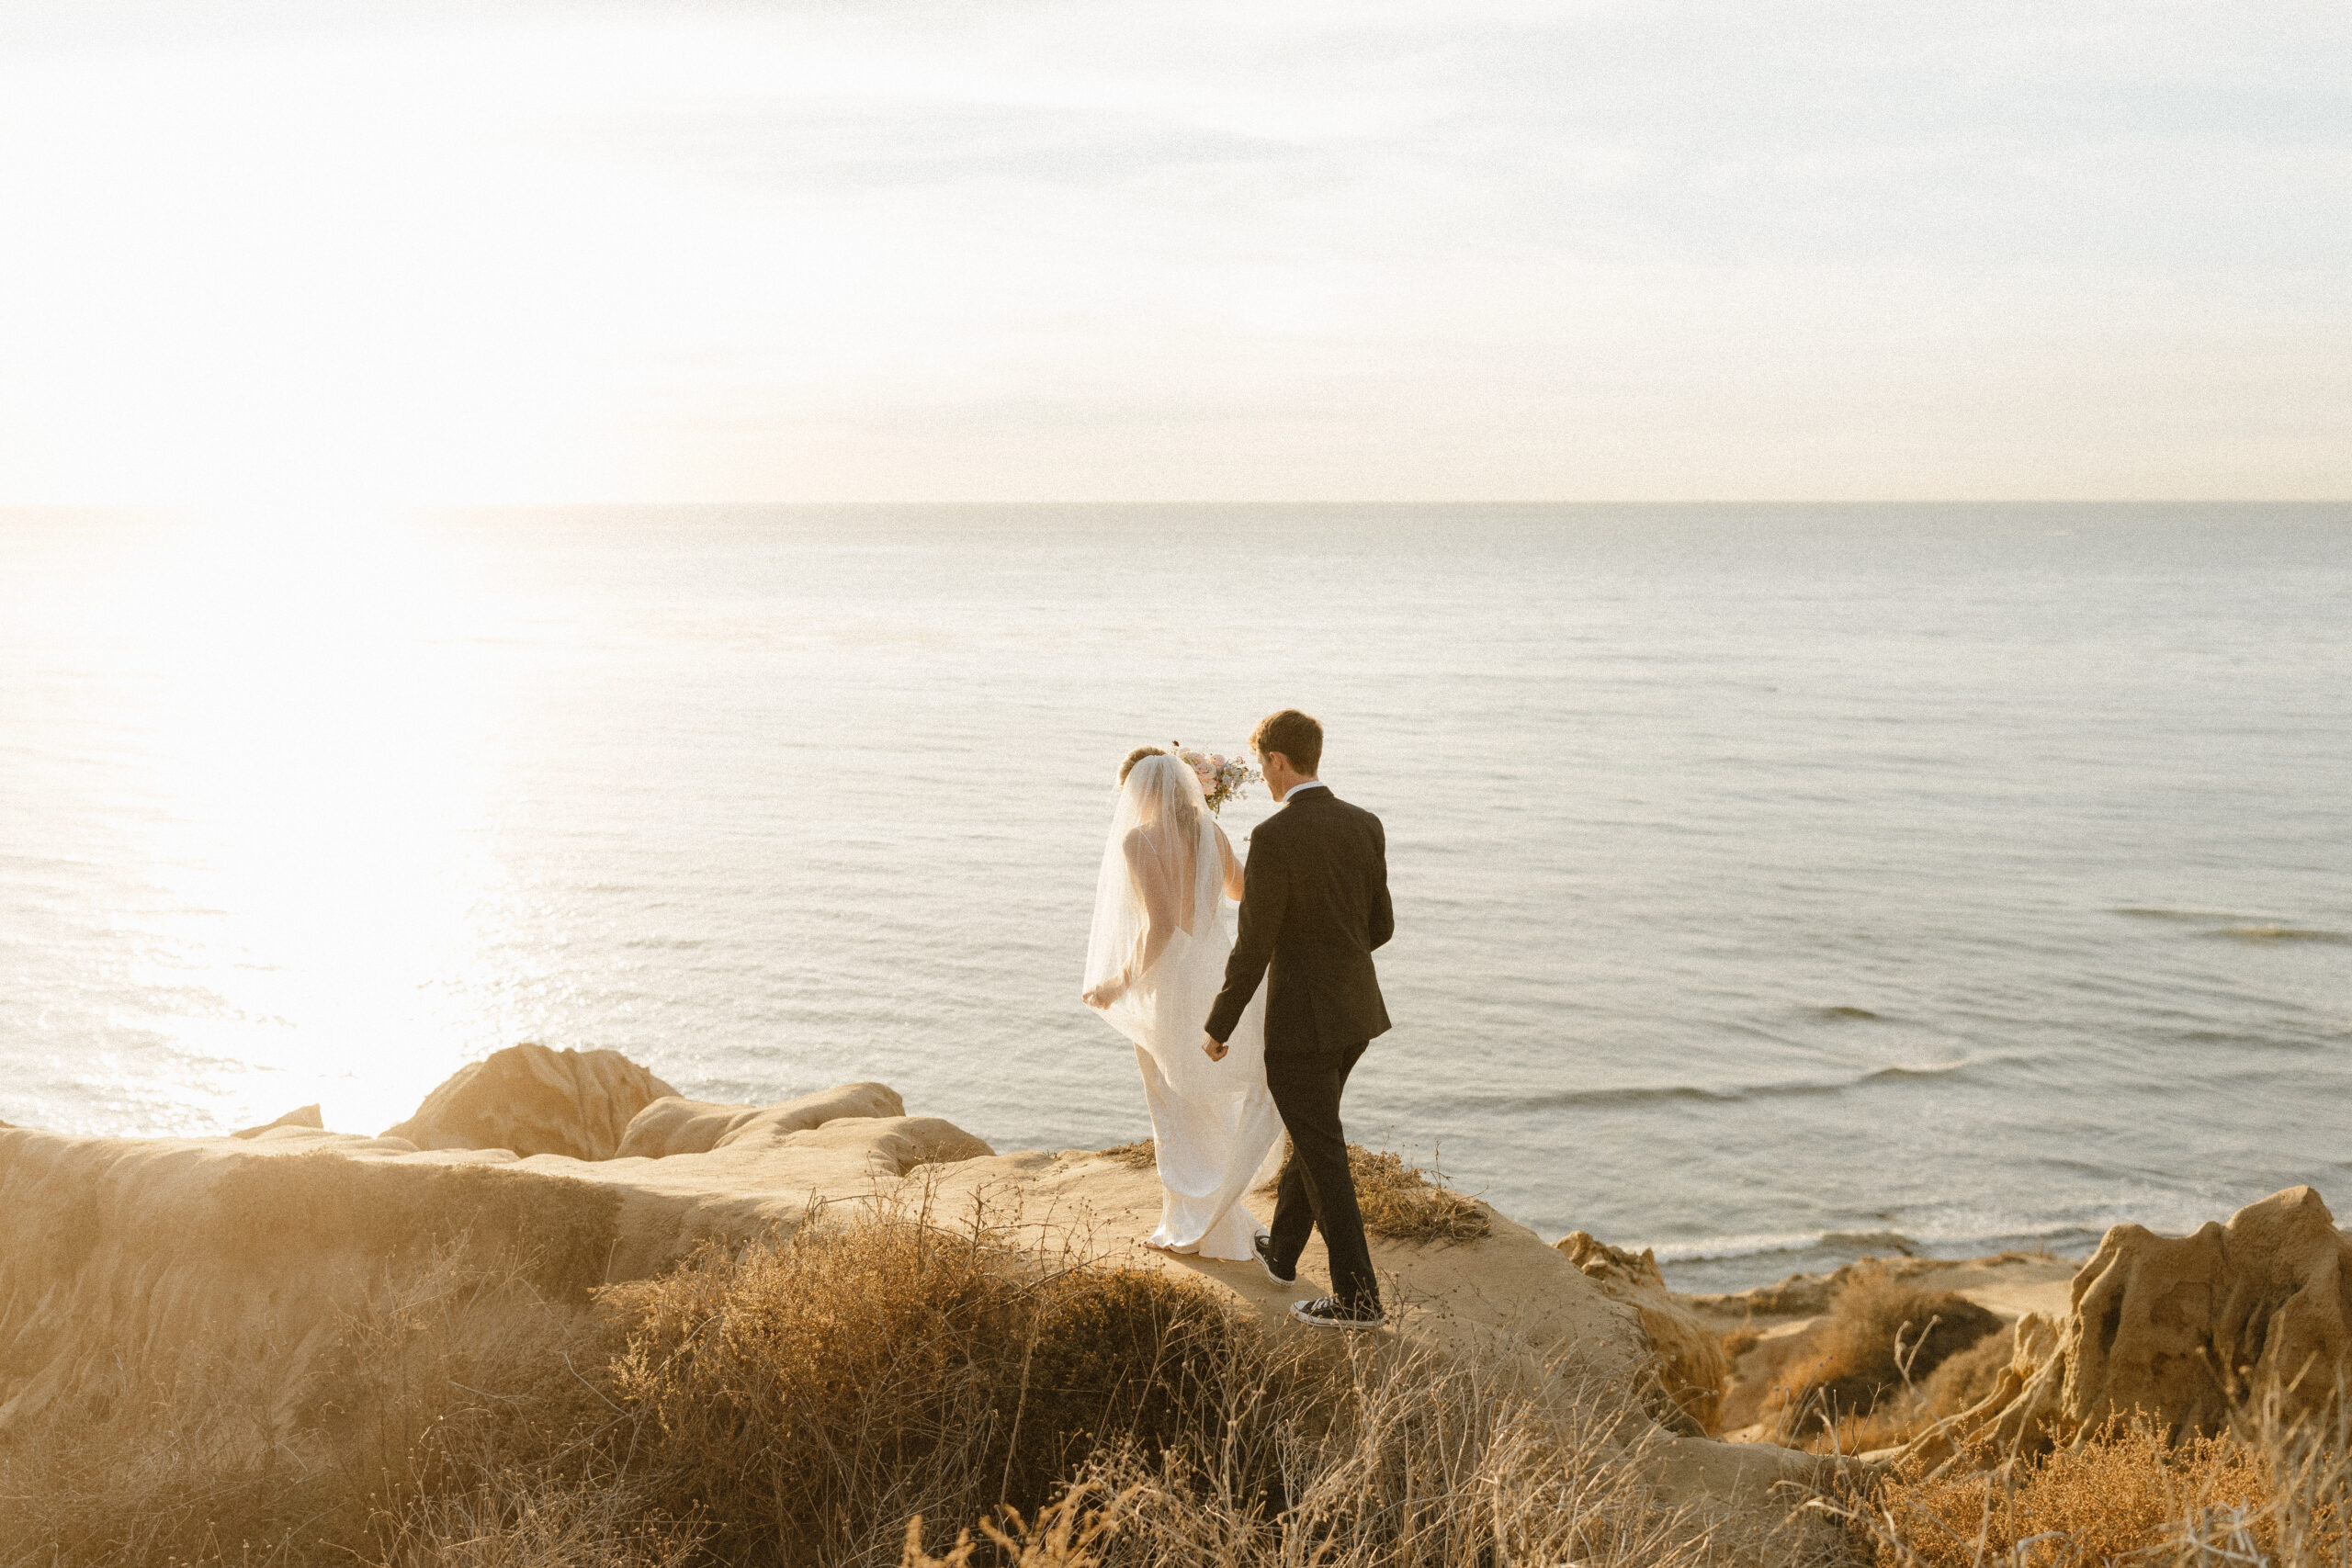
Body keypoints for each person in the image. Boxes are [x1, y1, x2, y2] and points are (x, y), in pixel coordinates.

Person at [1202, 708, 1394, 1330]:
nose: (1263, 775)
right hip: (1357, 1014)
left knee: (1321, 1152)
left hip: (1302, 1027)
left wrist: (1219, 1024)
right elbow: (1380, 927)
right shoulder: (1366, 824)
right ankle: (1282, 1254)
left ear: (1279, 761)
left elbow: (1253, 944)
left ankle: (1358, 1299)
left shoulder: (1274, 836)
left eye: (1262, 764)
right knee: (1313, 1133)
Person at [1082, 748, 1283, 1260]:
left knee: (1172, 1102)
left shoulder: (1139, 840)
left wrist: (1116, 983)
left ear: (1142, 791)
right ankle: (1217, 1216)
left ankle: (1192, 1224)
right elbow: (1242, 891)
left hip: (1170, 982)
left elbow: (1162, 926)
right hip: (1217, 974)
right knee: (1206, 1098)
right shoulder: (1210, 832)